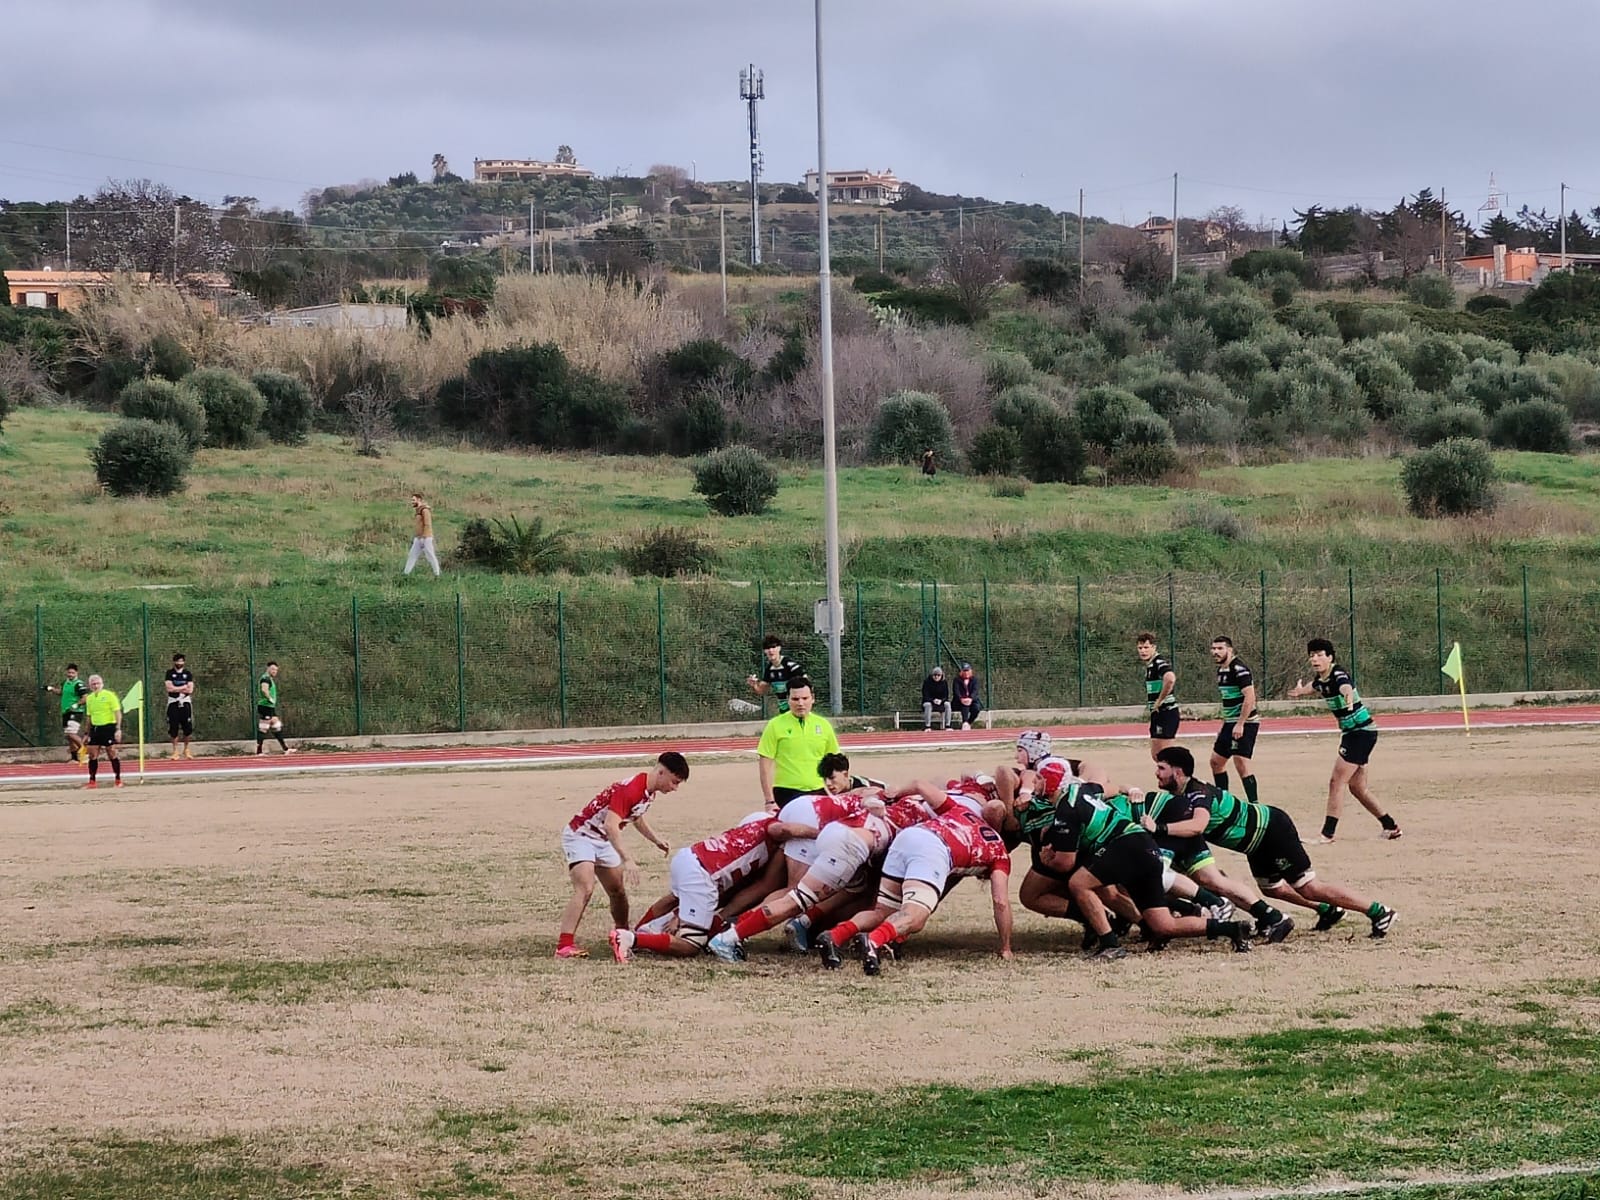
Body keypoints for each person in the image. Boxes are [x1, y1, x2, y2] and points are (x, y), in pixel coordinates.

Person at [1153, 747, 1396, 939]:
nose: (1157, 773)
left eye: (1161, 768)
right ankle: (1326, 910)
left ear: (1177, 772)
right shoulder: (1181, 796)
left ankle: (1378, 911)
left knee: (1308, 886)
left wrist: (1160, 828)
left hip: (1271, 830)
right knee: (1273, 889)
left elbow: (1198, 825)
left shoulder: (1197, 794)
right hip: (1256, 843)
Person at [1051, 781, 1256, 960]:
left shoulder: (1065, 808)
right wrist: (1130, 788)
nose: (1035, 786)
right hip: (1143, 846)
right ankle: (1233, 929)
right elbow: (1112, 787)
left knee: (1079, 883)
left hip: (1125, 846)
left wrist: (1048, 858)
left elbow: (1065, 863)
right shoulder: (1081, 789)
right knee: (1163, 925)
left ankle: (1110, 944)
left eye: (1039, 780)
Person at [816, 802, 1014, 975]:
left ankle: (835, 935)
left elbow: (926, 789)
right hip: (934, 849)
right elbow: (1000, 901)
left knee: (882, 912)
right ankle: (873, 941)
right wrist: (1005, 947)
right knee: (916, 917)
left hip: (908, 836)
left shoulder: (963, 811)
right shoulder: (999, 850)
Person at [610, 811, 791, 962]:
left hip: (688, 857)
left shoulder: (739, 837)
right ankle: (631, 939)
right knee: (691, 944)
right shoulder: (767, 837)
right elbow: (762, 887)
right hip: (702, 875)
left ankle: (640, 930)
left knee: (676, 898)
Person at [556, 752, 688, 959]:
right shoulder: (632, 789)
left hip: (602, 840)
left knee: (617, 890)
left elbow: (636, 817)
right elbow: (611, 825)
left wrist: (656, 840)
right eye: (674, 782)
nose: (675, 788)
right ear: (661, 772)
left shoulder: (648, 791)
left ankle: (623, 935)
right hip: (581, 835)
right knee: (586, 887)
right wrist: (628, 859)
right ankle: (564, 946)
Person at [1287, 639, 1402, 843]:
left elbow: (1345, 687)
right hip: (1355, 734)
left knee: (1336, 782)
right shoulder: (1321, 679)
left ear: (1330, 657)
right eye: (1312, 655)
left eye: (1320, 654)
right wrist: (1299, 691)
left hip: (1360, 733)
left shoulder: (1338, 675)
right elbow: (1313, 686)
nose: (1315, 659)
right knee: (1357, 788)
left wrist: (1348, 697)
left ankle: (1327, 834)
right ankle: (1390, 826)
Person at [756, 678, 839, 812]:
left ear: (813, 698)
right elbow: (765, 766)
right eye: (795, 699)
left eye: (805, 698)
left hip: (818, 792)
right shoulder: (775, 726)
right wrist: (769, 800)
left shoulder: (824, 725)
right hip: (786, 793)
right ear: (788, 700)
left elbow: (835, 763)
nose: (800, 703)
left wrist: (838, 792)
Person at [1209, 636, 1260, 804]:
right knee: (1216, 762)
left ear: (1229, 650)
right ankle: (1224, 801)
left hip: (1246, 723)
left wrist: (1240, 724)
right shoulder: (1221, 671)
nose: (1215, 652)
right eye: (1214, 648)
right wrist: (1225, 725)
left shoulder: (1239, 669)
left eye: (1220, 649)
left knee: (1241, 763)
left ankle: (1254, 804)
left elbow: (1250, 696)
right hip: (1230, 723)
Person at [1136, 633, 1180, 759]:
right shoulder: (1150, 665)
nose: (1143, 651)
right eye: (1140, 648)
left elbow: (1170, 678)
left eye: (1146, 647)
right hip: (1158, 714)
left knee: (1166, 757)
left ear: (1154, 647)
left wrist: (1160, 700)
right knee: (1157, 755)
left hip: (1167, 712)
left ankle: (1179, 776)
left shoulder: (1158, 662)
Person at [81, 674, 124, 789]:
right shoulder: (89, 698)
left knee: (111, 752)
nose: (95, 686)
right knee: (92, 755)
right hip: (96, 728)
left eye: (97, 683)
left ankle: (118, 779)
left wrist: (118, 729)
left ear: (102, 684)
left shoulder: (110, 695)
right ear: (90, 686)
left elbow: (117, 713)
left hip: (108, 727)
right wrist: (86, 733)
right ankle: (92, 781)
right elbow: (89, 717)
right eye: (93, 684)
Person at [747, 635, 804, 714]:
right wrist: (754, 685)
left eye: (773, 647)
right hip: (783, 710)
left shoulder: (790, 665)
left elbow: (806, 684)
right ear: (764, 651)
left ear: (779, 648)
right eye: (767, 648)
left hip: (797, 709)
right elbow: (762, 690)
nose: (770, 650)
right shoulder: (769, 670)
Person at [44, 663, 88, 763]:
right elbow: (61, 693)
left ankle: (84, 750)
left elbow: (85, 697)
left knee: (71, 733)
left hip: (76, 712)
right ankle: (74, 758)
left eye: (72, 673)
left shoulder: (79, 684)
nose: (70, 674)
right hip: (65, 712)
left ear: (76, 673)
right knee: (68, 736)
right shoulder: (65, 682)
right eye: (69, 672)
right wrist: (51, 689)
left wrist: (77, 705)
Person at [256, 662, 296, 755]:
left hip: (270, 707)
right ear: (268, 668)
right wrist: (269, 698)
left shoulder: (270, 679)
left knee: (276, 725)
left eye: (276, 670)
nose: (275, 671)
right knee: (263, 728)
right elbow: (264, 689)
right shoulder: (265, 678)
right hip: (265, 706)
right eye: (273, 669)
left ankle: (285, 749)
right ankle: (259, 751)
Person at [164, 652, 196, 760]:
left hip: (185, 702)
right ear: (174, 662)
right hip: (173, 701)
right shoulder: (169, 673)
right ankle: (175, 751)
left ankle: (186, 749)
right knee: (174, 727)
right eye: (178, 661)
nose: (180, 663)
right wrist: (183, 687)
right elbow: (169, 688)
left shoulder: (188, 674)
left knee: (187, 727)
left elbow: (190, 689)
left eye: (181, 661)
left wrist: (177, 688)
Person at [404, 493, 441, 577]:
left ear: (419, 500)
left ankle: (437, 574)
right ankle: (405, 574)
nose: (412, 502)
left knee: (430, 555)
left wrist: (424, 536)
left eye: (413, 500)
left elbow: (427, 524)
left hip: (426, 537)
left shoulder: (424, 510)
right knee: (412, 555)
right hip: (418, 538)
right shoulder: (418, 511)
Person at [920, 665, 951, 731]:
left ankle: (948, 725)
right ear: (932, 675)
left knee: (947, 704)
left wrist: (941, 701)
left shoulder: (944, 683)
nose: (936, 677)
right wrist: (933, 700)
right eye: (935, 675)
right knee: (928, 705)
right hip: (929, 702)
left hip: (940, 703)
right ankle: (927, 726)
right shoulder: (927, 682)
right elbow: (925, 695)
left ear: (941, 675)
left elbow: (946, 696)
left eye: (938, 675)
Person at [953, 662, 982, 730]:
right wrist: (961, 699)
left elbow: (975, 691)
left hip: (972, 701)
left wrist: (971, 698)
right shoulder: (957, 680)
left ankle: (968, 722)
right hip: (959, 702)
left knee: (976, 708)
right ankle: (965, 722)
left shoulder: (975, 680)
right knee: (965, 704)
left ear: (970, 671)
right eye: (964, 671)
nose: (966, 673)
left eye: (967, 670)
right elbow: (956, 691)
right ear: (961, 671)